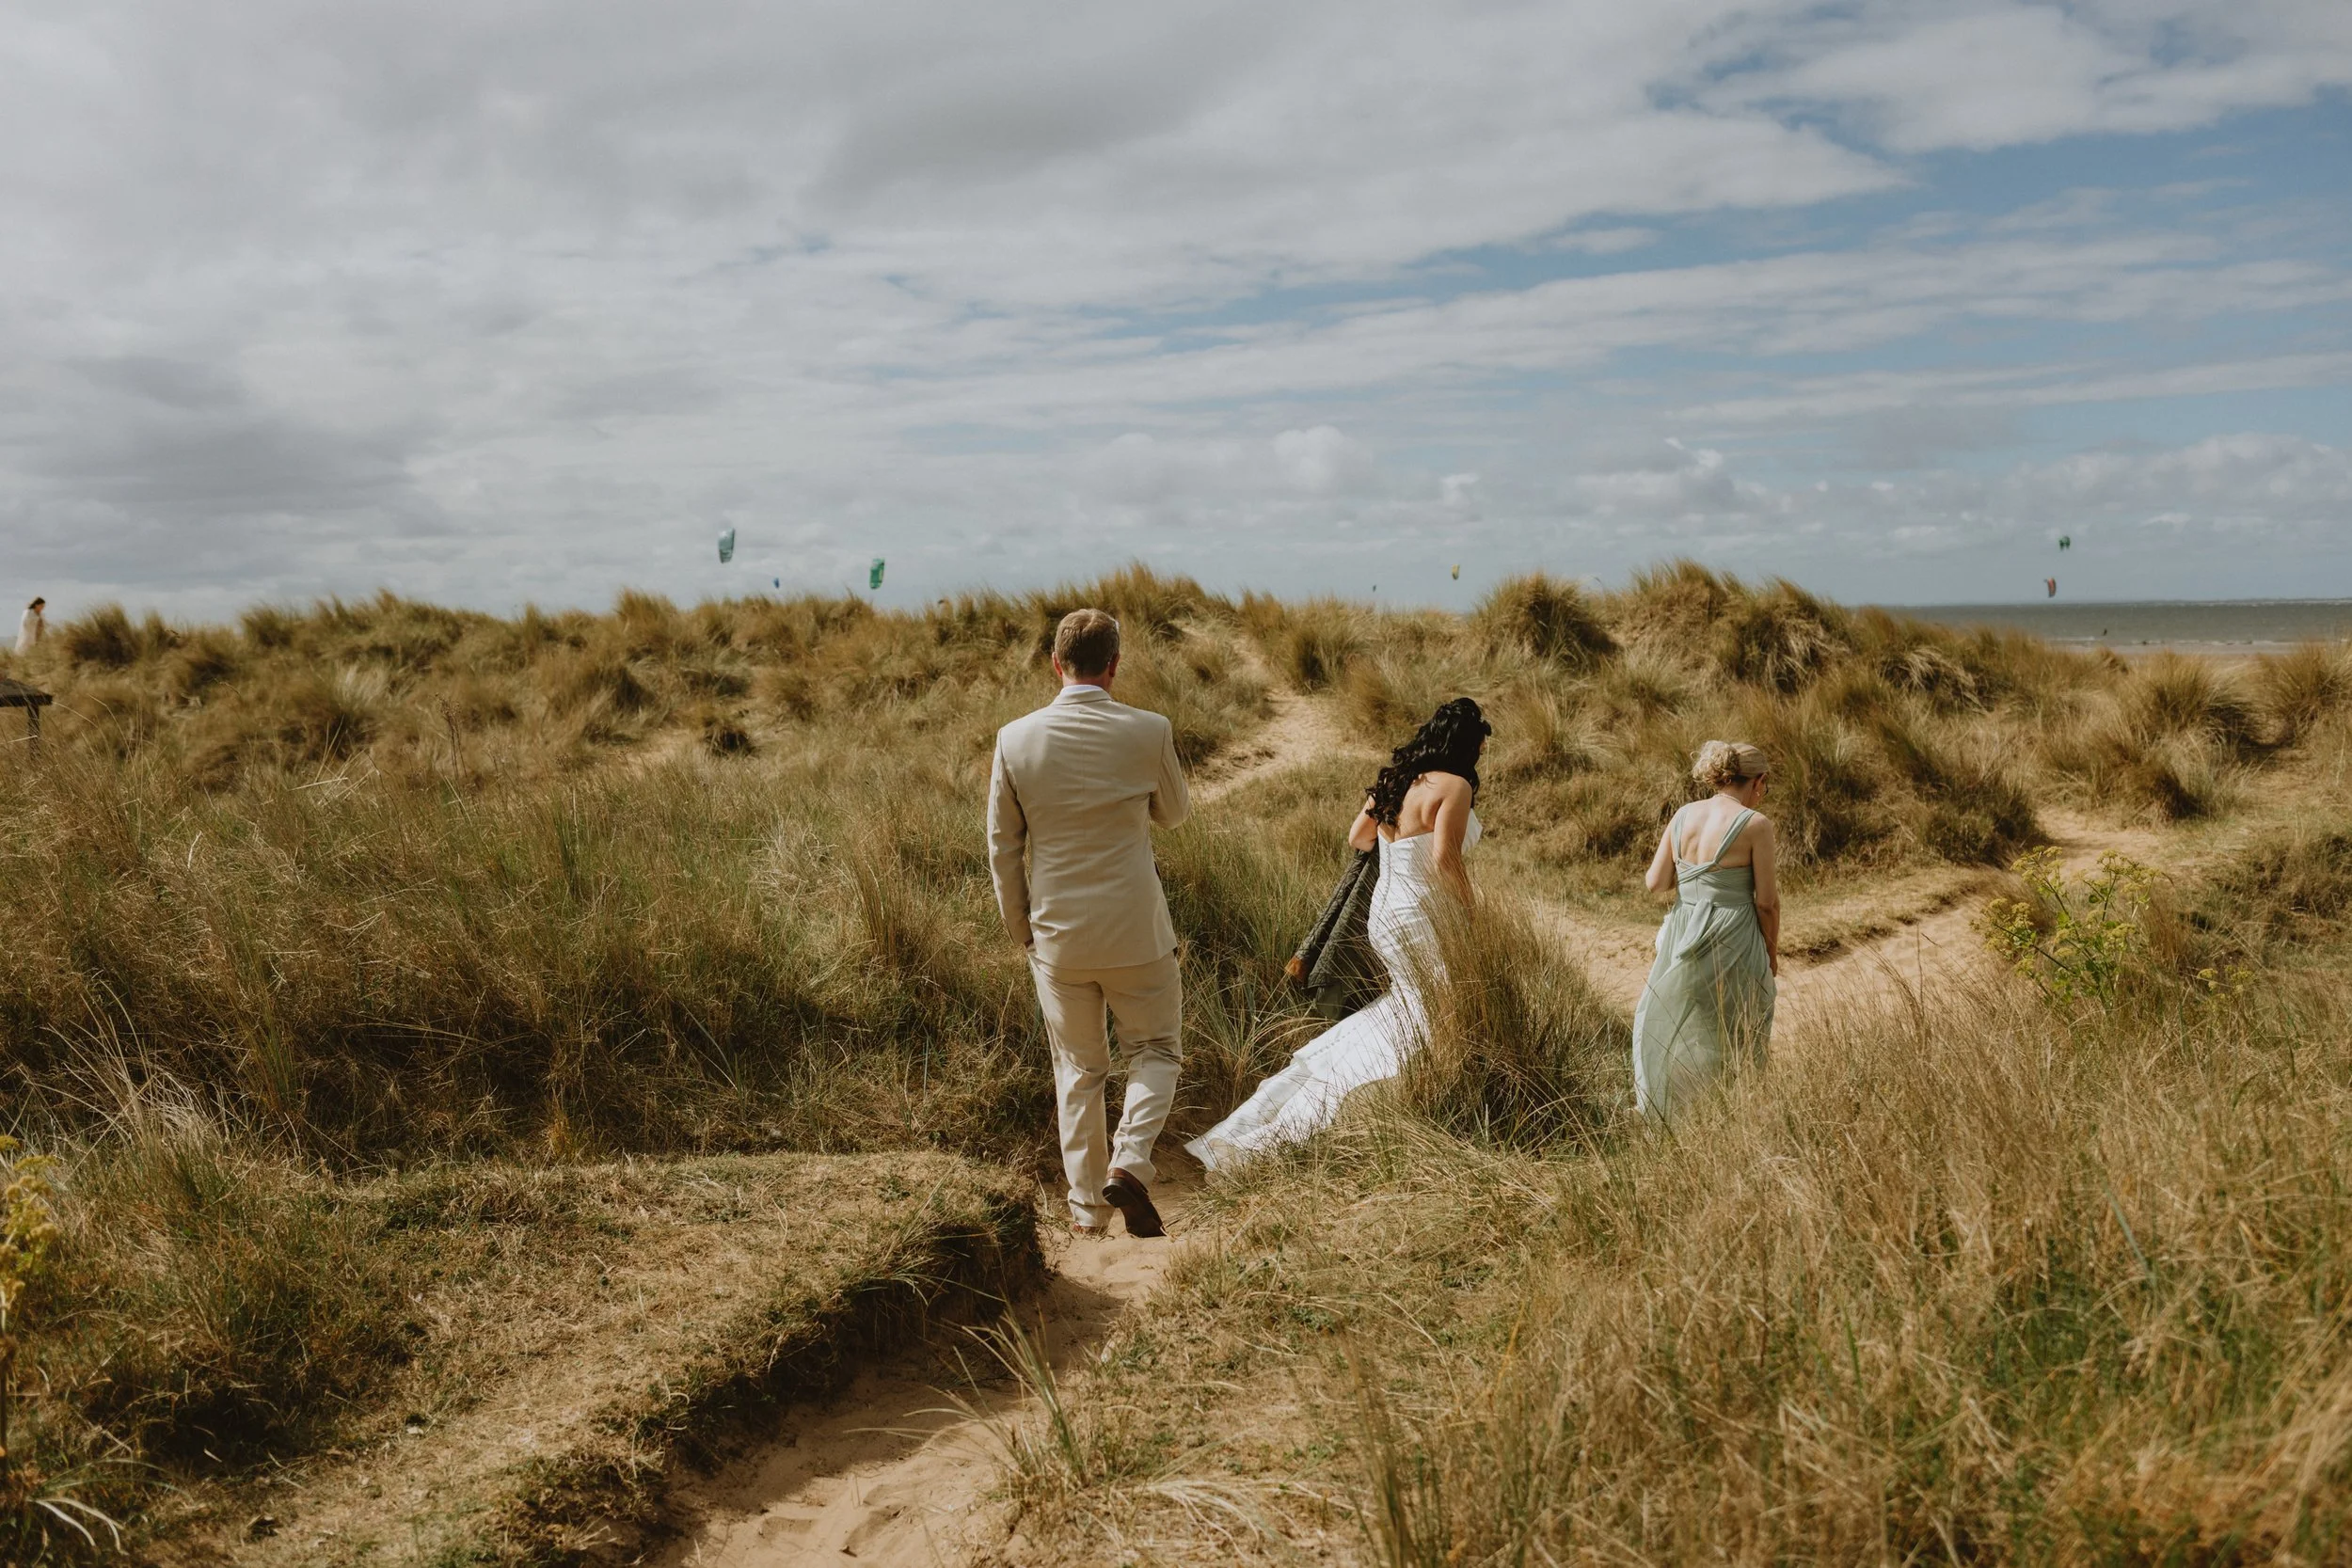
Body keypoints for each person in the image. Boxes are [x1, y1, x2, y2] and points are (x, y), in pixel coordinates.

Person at [1188, 698, 1489, 1172]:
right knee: (1433, 1013)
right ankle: (1321, 1120)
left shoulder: (1397, 779)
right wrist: (1473, 915)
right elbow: (1445, 860)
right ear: (1469, 745)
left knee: (1408, 1009)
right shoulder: (1454, 785)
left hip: (1384, 914)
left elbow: (1358, 838)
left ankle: (1268, 1123)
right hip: (1422, 913)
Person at [988, 609, 1191, 1238]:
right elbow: (1175, 814)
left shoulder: (1014, 739)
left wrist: (1020, 927)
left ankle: (1085, 1211)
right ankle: (1130, 1160)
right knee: (1155, 1049)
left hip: (1057, 935)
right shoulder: (1149, 729)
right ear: (1115, 664)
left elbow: (1002, 845)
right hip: (1136, 930)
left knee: (1078, 1068)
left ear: (1056, 663)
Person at [1632, 740, 1779, 1119]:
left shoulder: (1684, 815)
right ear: (1758, 781)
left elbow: (1656, 883)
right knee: (1740, 1026)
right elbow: (1766, 902)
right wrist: (1771, 951)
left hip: (1684, 930)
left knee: (1684, 1021)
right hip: (1733, 932)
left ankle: (1675, 1109)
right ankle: (1731, 1113)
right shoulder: (1756, 825)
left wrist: (1694, 882)